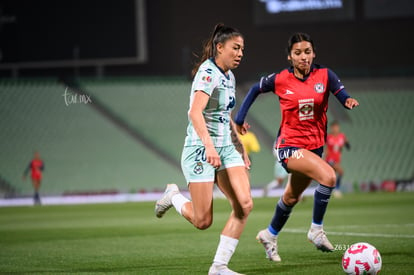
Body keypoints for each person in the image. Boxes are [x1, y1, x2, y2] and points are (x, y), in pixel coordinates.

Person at [235, 32, 359, 262]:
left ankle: (269, 235)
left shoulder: (325, 75)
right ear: (290, 57)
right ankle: (316, 230)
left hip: (314, 148)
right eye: (298, 53)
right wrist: (239, 119)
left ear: (314, 53)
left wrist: (347, 100)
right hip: (289, 146)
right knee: (329, 177)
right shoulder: (281, 79)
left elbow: (340, 92)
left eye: (308, 52)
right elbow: (254, 89)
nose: (304, 57)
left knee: (291, 197)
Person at [155, 23, 252, 275]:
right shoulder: (208, 73)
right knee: (202, 221)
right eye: (235, 48)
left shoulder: (229, 75)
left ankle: (219, 267)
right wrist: (209, 146)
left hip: (226, 148)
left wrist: (239, 143)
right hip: (201, 148)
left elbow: (223, 113)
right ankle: (172, 197)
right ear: (220, 47)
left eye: (242, 49)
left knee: (244, 205)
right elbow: (194, 112)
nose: (240, 53)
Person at [325, 120, 350, 198]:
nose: (335, 129)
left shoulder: (342, 136)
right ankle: (337, 189)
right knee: (341, 171)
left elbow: (347, 144)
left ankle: (328, 190)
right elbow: (326, 148)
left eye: (337, 127)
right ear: (331, 128)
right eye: (334, 127)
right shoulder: (328, 137)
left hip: (337, 159)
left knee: (332, 176)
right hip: (330, 159)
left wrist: (346, 144)